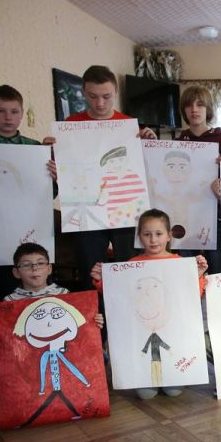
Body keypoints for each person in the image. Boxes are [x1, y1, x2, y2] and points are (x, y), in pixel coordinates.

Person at [48, 66, 157, 291]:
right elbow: (66, 174)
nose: (99, 103)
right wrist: (52, 161)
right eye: (93, 96)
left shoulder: (130, 127)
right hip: (87, 212)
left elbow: (148, 172)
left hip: (125, 211)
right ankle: (95, 313)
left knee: (130, 267)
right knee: (90, 272)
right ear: (84, 92)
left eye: (106, 96)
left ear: (116, 92)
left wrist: (151, 146)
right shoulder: (70, 126)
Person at [91, 208, 208, 399]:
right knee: (146, 394)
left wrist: (198, 275)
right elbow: (120, 297)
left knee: (173, 391)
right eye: (147, 234)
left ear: (169, 236)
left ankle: (174, 373)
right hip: (142, 330)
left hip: (172, 331)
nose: (153, 239)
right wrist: (101, 280)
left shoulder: (179, 262)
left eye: (159, 234)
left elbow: (191, 296)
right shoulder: (131, 265)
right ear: (139, 237)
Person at [0, 85, 55, 298]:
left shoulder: (36, 148)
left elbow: (47, 196)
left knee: (40, 290)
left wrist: (54, 178)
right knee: (5, 289)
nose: (8, 117)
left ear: (22, 113)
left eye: (14, 111)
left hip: (31, 230)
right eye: (1, 111)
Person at [0, 243, 104, 348]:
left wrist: (93, 321)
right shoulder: (9, 302)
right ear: (16, 272)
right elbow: (6, 335)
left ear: (49, 269)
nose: (34, 269)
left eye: (40, 263)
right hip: (27, 359)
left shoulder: (64, 294)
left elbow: (78, 325)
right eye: (26, 265)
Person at [177, 85, 221, 274]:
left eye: (200, 104)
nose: (194, 109)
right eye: (189, 105)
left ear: (208, 109)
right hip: (185, 218)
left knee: (217, 274)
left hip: (216, 219)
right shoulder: (177, 142)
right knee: (187, 273)